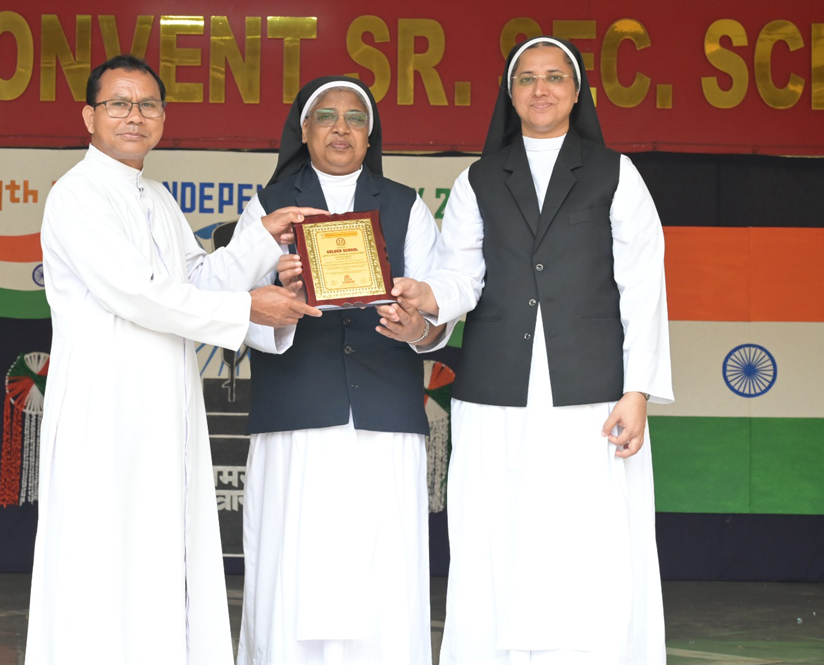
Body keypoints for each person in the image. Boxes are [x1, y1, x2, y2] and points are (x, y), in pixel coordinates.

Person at [25, 54, 321, 665]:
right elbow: (138, 294)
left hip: (163, 413)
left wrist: (262, 238)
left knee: (160, 559)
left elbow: (195, 280)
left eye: (148, 105)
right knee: (102, 562)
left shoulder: (156, 197)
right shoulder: (77, 195)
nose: (135, 116)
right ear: (89, 116)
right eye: (119, 104)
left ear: (163, 117)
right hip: (105, 411)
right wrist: (247, 309)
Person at [395, 37, 674, 664]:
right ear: (510, 93)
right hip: (497, 386)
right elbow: (461, 275)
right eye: (526, 78)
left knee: (590, 534)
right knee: (496, 531)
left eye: (554, 77)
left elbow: (643, 285)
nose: (540, 89)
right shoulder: (478, 179)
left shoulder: (616, 173)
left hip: (593, 389)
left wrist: (637, 390)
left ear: (576, 93)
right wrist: (428, 296)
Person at [235, 76, 445, 665]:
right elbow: (235, 302)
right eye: (326, 116)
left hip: (383, 414)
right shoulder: (268, 206)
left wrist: (417, 326)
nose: (340, 128)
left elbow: (437, 310)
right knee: (292, 561)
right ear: (304, 130)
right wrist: (284, 300)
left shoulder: (405, 204)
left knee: (383, 569)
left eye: (355, 118)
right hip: (297, 413)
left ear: (370, 135)